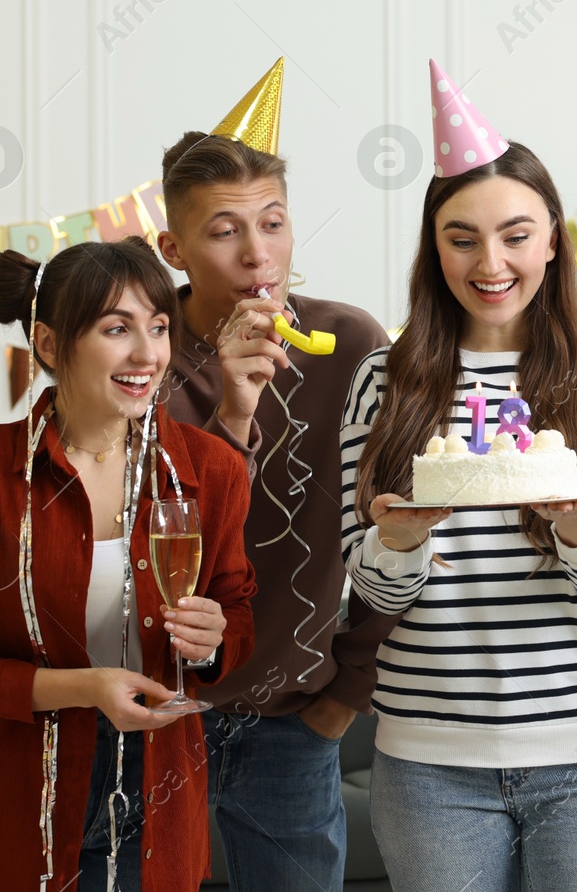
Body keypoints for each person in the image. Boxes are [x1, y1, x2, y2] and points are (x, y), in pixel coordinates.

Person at [340, 61, 577, 892]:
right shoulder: (384, 378)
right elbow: (371, 594)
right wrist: (398, 542)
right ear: (434, 245)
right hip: (428, 759)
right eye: (462, 237)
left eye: (516, 234)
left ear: (555, 237)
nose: (491, 261)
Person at [0, 238, 257, 891]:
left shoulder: (212, 471)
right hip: (13, 796)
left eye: (159, 327)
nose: (148, 354)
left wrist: (216, 638)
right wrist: (86, 688)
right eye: (117, 328)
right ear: (51, 344)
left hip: (159, 790)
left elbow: (236, 617)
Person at [153, 59, 393, 891]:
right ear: (174, 249)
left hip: (296, 717)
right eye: (224, 230)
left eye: (274, 222)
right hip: (156, 713)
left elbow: (396, 523)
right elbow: (148, 526)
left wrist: (348, 691)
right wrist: (234, 402)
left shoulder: (354, 344)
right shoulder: (140, 358)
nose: (259, 253)